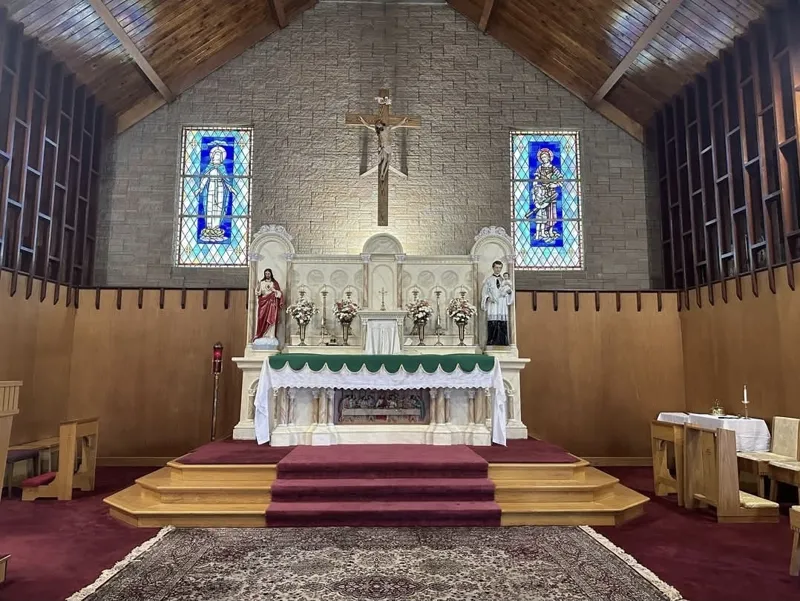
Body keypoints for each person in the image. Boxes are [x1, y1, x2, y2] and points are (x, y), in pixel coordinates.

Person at [481, 260, 514, 346]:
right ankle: (492, 341)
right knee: (492, 322)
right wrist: (488, 298)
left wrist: (510, 292)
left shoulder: (504, 280)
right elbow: (484, 293)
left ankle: (502, 342)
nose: (498, 269)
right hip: (493, 304)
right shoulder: (489, 280)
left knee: (502, 322)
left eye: (500, 268)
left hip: (502, 305)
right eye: (496, 267)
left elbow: (509, 293)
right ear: (493, 268)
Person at [254, 268, 283, 340]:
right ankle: (261, 335)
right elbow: (258, 293)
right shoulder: (261, 282)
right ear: (264, 274)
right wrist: (257, 290)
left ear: (271, 274)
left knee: (271, 318)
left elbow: (280, 294)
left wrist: (274, 290)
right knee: (261, 317)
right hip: (263, 303)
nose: (267, 275)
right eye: (266, 274)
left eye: (268, 273)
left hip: (271, 304)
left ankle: (271, 335)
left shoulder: (274, 283)